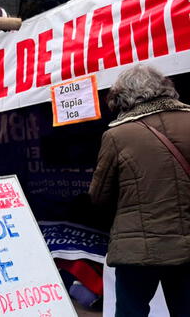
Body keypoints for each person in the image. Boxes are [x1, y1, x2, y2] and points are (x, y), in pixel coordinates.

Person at [88, 64, 190, 316]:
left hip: (137, 250)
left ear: (124, 97)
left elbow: (98, 197)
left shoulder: (118, 135)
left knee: (130, 311)